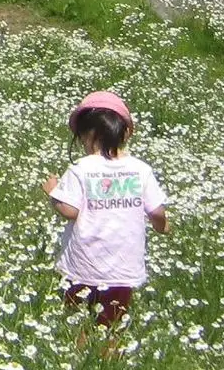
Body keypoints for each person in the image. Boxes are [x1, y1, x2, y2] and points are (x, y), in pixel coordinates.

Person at [41, 89, 169, 344]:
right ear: (127, 132)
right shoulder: (140, 170)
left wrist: (53, 192)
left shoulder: (81, 169)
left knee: (77, 319)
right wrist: (161, 226)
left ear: (85, 137)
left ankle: (79, 360)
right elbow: (156, 210)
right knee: (113, 322)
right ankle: (110, 359)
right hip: (123, 266)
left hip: (83, 264)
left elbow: (70, 211)